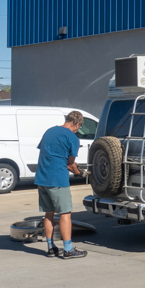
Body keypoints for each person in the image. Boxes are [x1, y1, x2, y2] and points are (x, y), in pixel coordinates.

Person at [35, 111, 87, 259]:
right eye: (79, 126)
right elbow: (70, 165)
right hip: (57, 179)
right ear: (77, 124)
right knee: (65, 214)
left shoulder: (49, 131)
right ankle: (68, 249)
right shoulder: (72, 138)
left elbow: (51, 153)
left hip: (42, 178)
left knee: (49, 213)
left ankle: (51, 247)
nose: (78, 129)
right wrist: (79, 173)